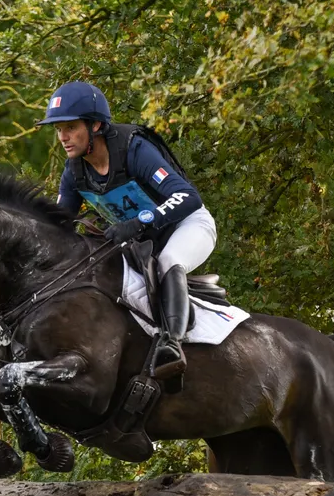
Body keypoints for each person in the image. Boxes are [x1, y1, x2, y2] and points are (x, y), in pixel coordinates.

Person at [36, 81, 216, 380]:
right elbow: (57, 227)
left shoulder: (134, 149)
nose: (62, 138)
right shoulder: (74, 171)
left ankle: (171, 344)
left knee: (168, 261)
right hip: (140, 244)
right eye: (58, 130)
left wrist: (139, 222)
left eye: (69, 127)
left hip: (187, 226)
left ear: (94, 125)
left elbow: (188, 197)